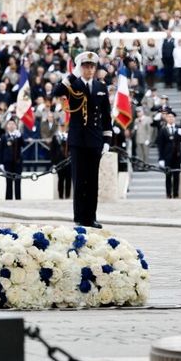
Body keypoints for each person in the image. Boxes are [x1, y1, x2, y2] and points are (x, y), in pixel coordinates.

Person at [52, 51, 113, 228]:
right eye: (86, 66)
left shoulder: (101, 87)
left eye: (92, 67)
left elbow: (106, 116)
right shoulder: (73, 84)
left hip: (95, 140)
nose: (90, 70)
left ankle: (91, 217)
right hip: (78, 140)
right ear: (81, 68)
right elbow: (57, 92)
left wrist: (107, 141)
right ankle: (79, 217)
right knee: (79, 179)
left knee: (92, 180)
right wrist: (72, 75)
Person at [157, 110, 181, 198]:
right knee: (168, 176)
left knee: (177, 176)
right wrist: (161, 158)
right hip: (167, 156)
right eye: (169, 117)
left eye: (172, 117)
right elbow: (160, 145)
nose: (171, 118)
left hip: (177, 155)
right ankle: (168, 194)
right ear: (166, 118)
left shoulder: (179, 128)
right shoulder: (163, 129)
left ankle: (176, 194)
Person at [0, 118, 24, 200]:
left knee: (18, 182)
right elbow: (1, 150)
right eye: (9, 124)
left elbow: (23, 144)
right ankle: (8, 200)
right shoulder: (4, 136)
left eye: (13, 124)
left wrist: (20, 136)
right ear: (7, 126)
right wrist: (1, 163)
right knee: (8, 182)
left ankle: (18, 199)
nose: (11, 126)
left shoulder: (18, 135)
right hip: (8, 162)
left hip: (17, 162)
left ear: (16, 126)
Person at [50, 123, 71, 198]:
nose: (62, 128)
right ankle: (60, 196)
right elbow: (52, 151)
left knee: (68, 179)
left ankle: (67, 196)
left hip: (68, 161)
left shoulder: (69, 136)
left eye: (63, 126)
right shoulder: (55, 137)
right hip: (59, 161)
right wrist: (53, 163)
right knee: (60, 179)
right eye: (61, 126)